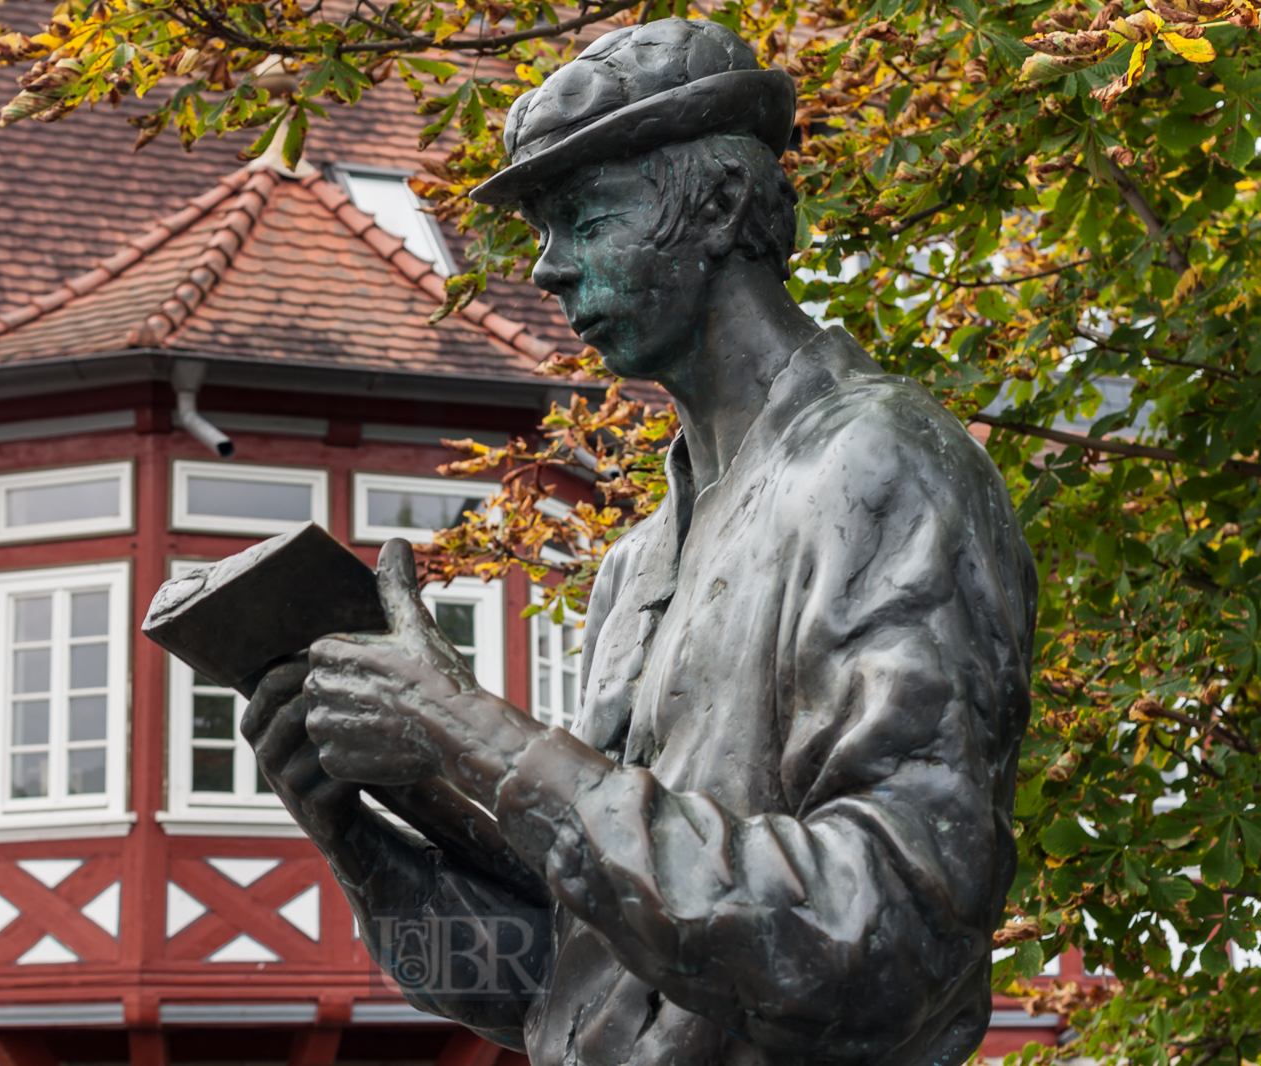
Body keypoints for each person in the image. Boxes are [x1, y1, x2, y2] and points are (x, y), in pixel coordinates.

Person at [242, 17, 1038, 1066]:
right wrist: (361, 840)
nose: (549, 270)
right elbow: (571, 986)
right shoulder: (637, 564)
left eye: (586, 218)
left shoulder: (879, 467)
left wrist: (470, 733)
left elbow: (884, 938)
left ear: (715, 207)